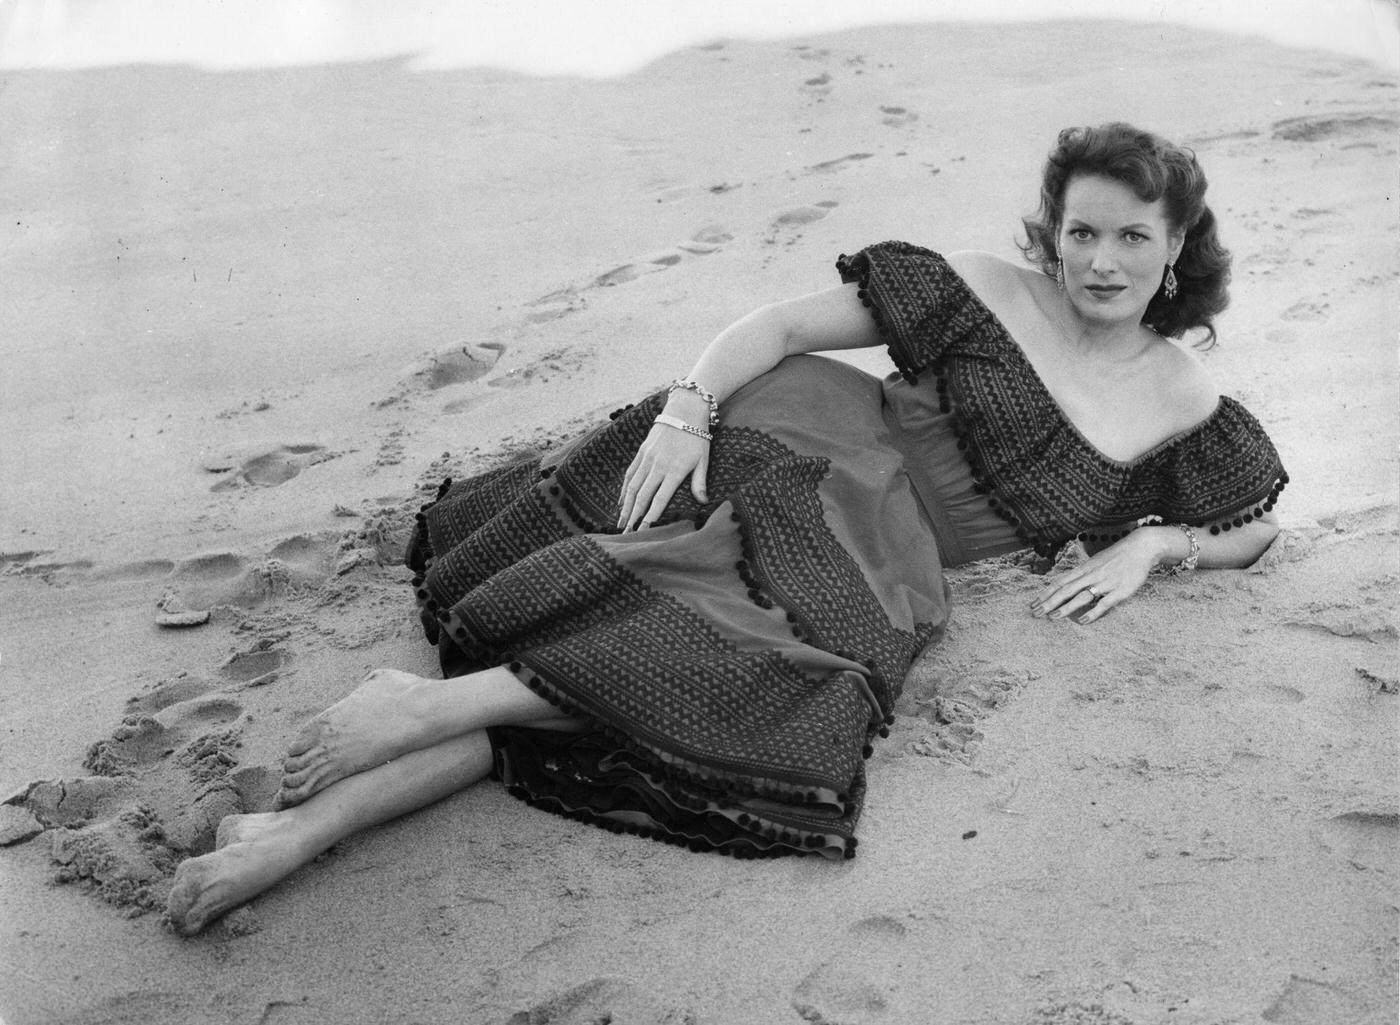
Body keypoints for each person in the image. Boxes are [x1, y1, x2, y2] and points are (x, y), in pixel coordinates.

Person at [166, 122, 1286, 935]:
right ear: (1052, 228)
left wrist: (1153, 544)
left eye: (1130, 237)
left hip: (894, 541)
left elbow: (1248, 524)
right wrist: (685, 410)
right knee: (741, 633)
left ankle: (302, 828)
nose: (1097, 261)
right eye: (1080, 231)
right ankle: (421, 710)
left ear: (1175, 244)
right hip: (809, 436)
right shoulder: (985, 286)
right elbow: (784, 323)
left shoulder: (1183, 399)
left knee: (664, 687)